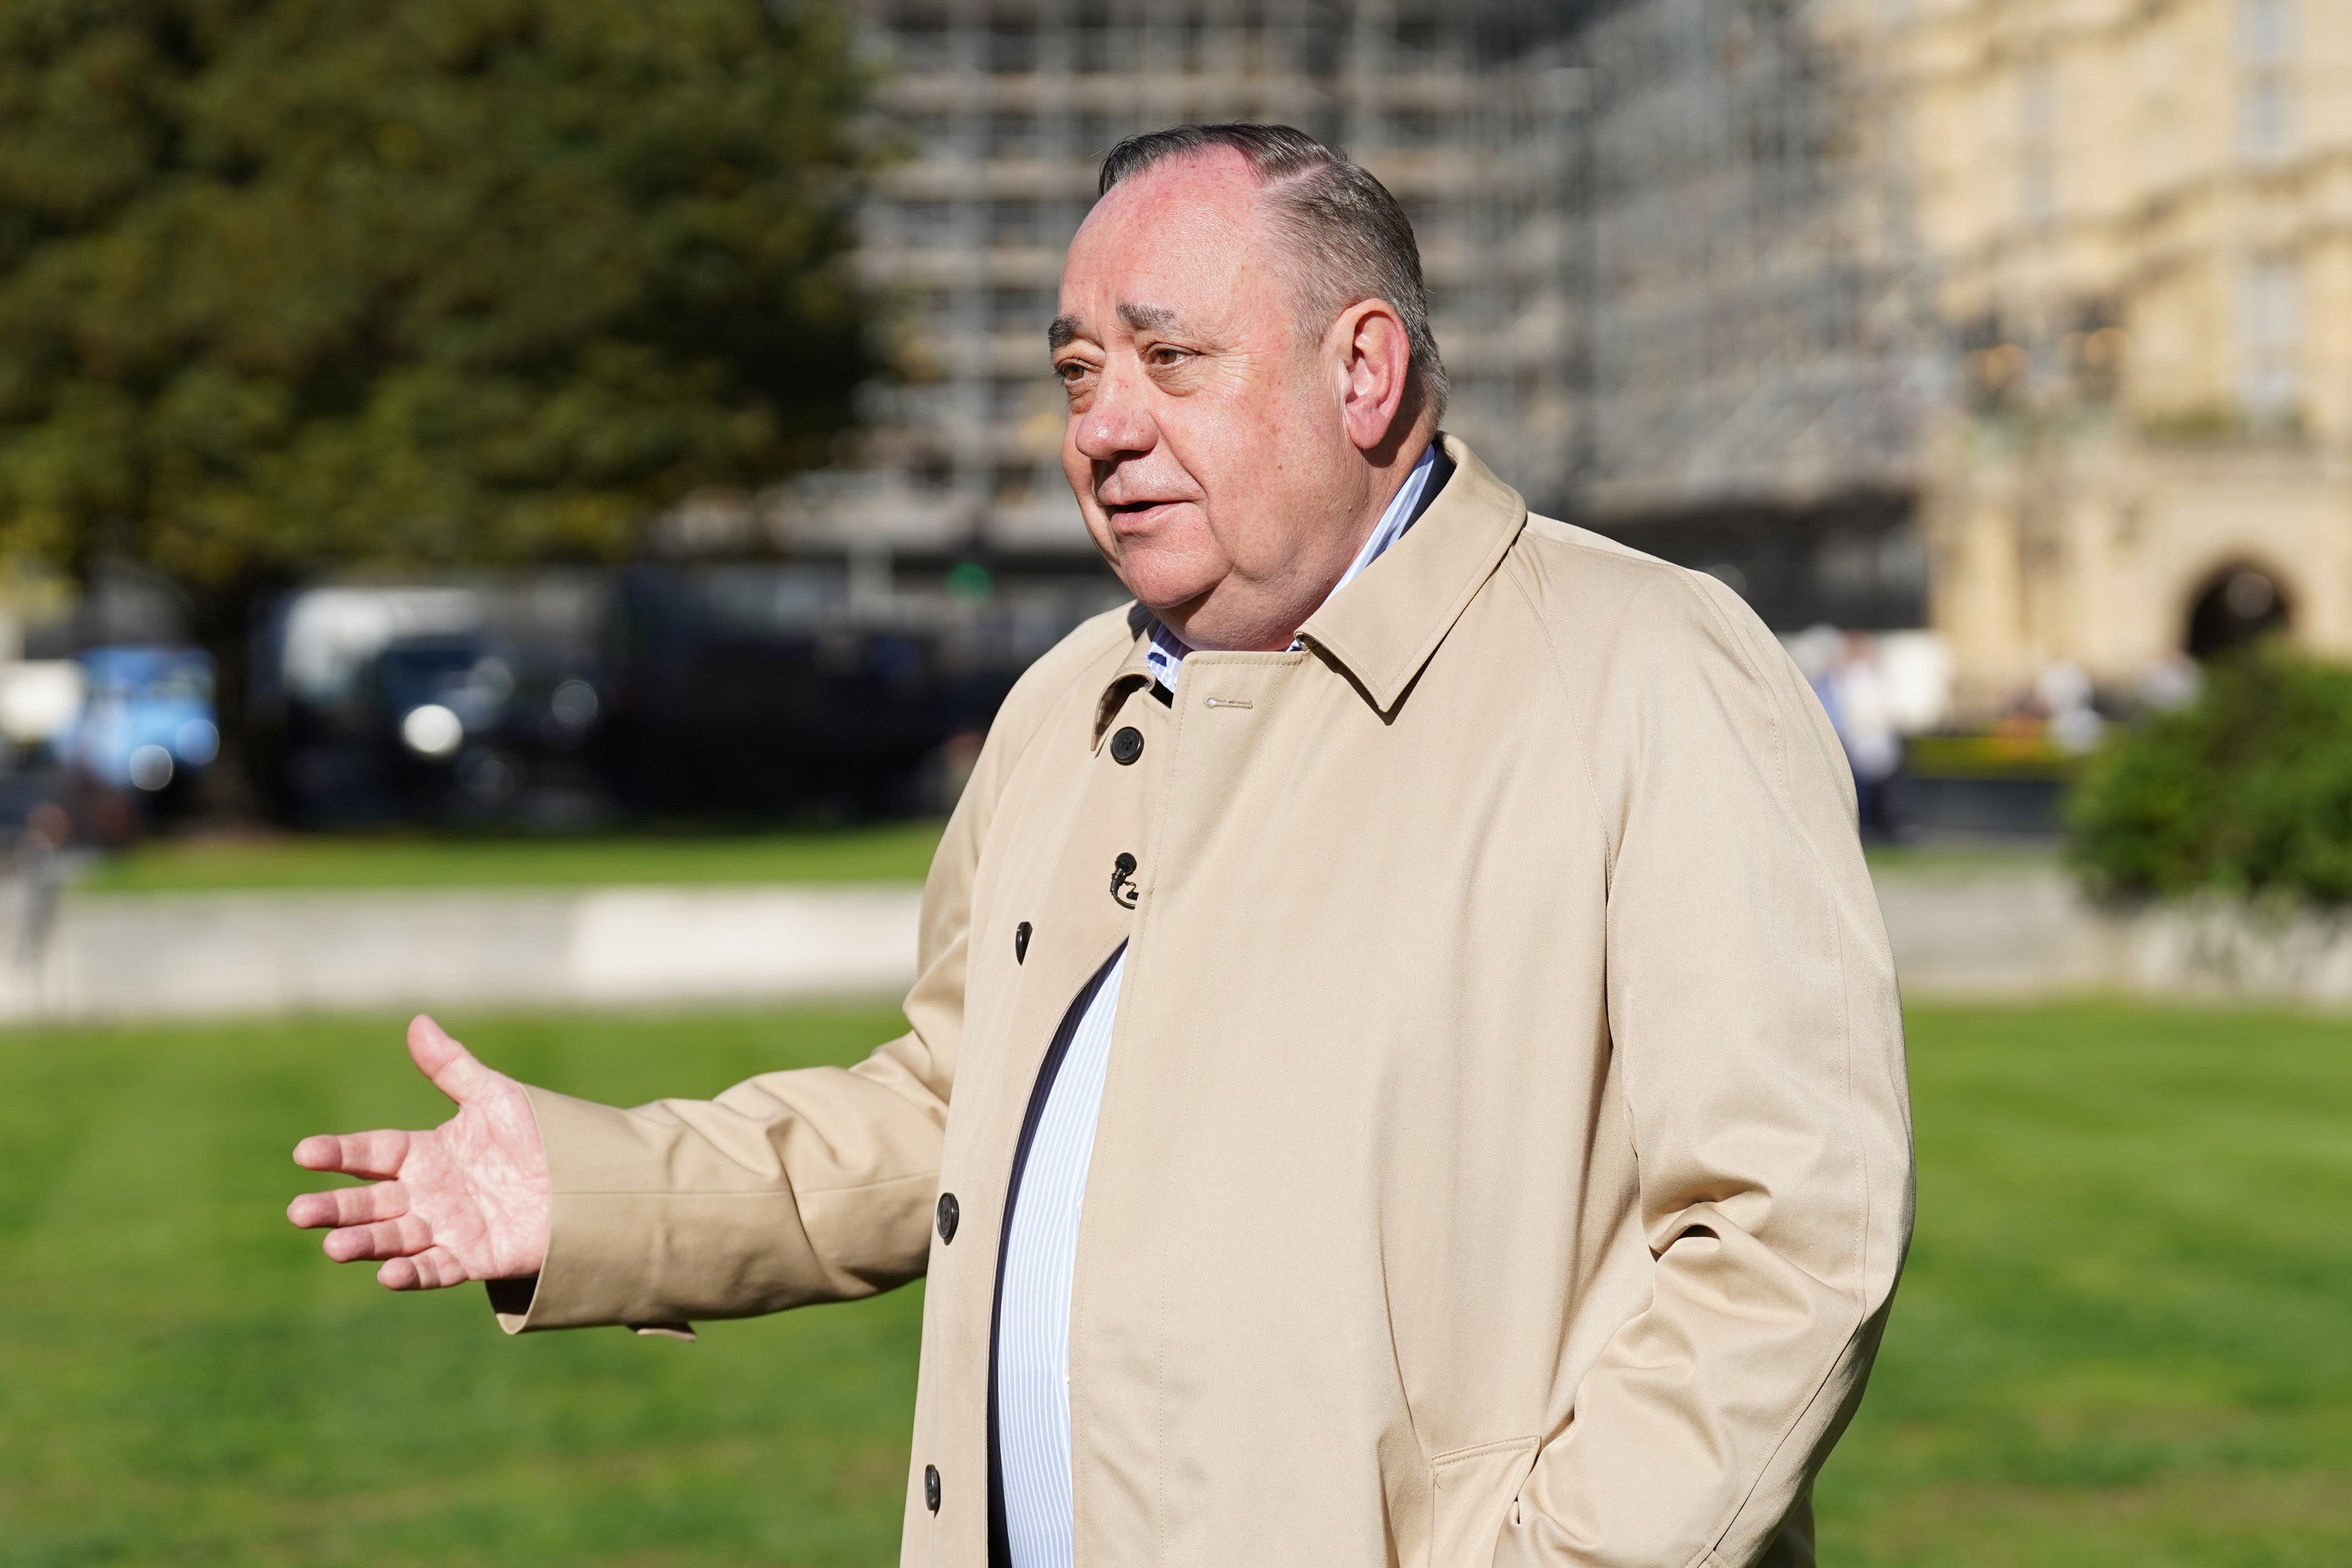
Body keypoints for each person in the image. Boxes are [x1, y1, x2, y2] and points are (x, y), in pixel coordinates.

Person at [290, 124, 1912, 1568]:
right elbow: (948, 1106)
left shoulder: (1645, 662)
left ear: (1364, 372)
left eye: (1168, 358)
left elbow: (1789, 1228)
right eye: (1078, 372)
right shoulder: (1065, 700)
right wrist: (588, 1194)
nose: (1104, 428)